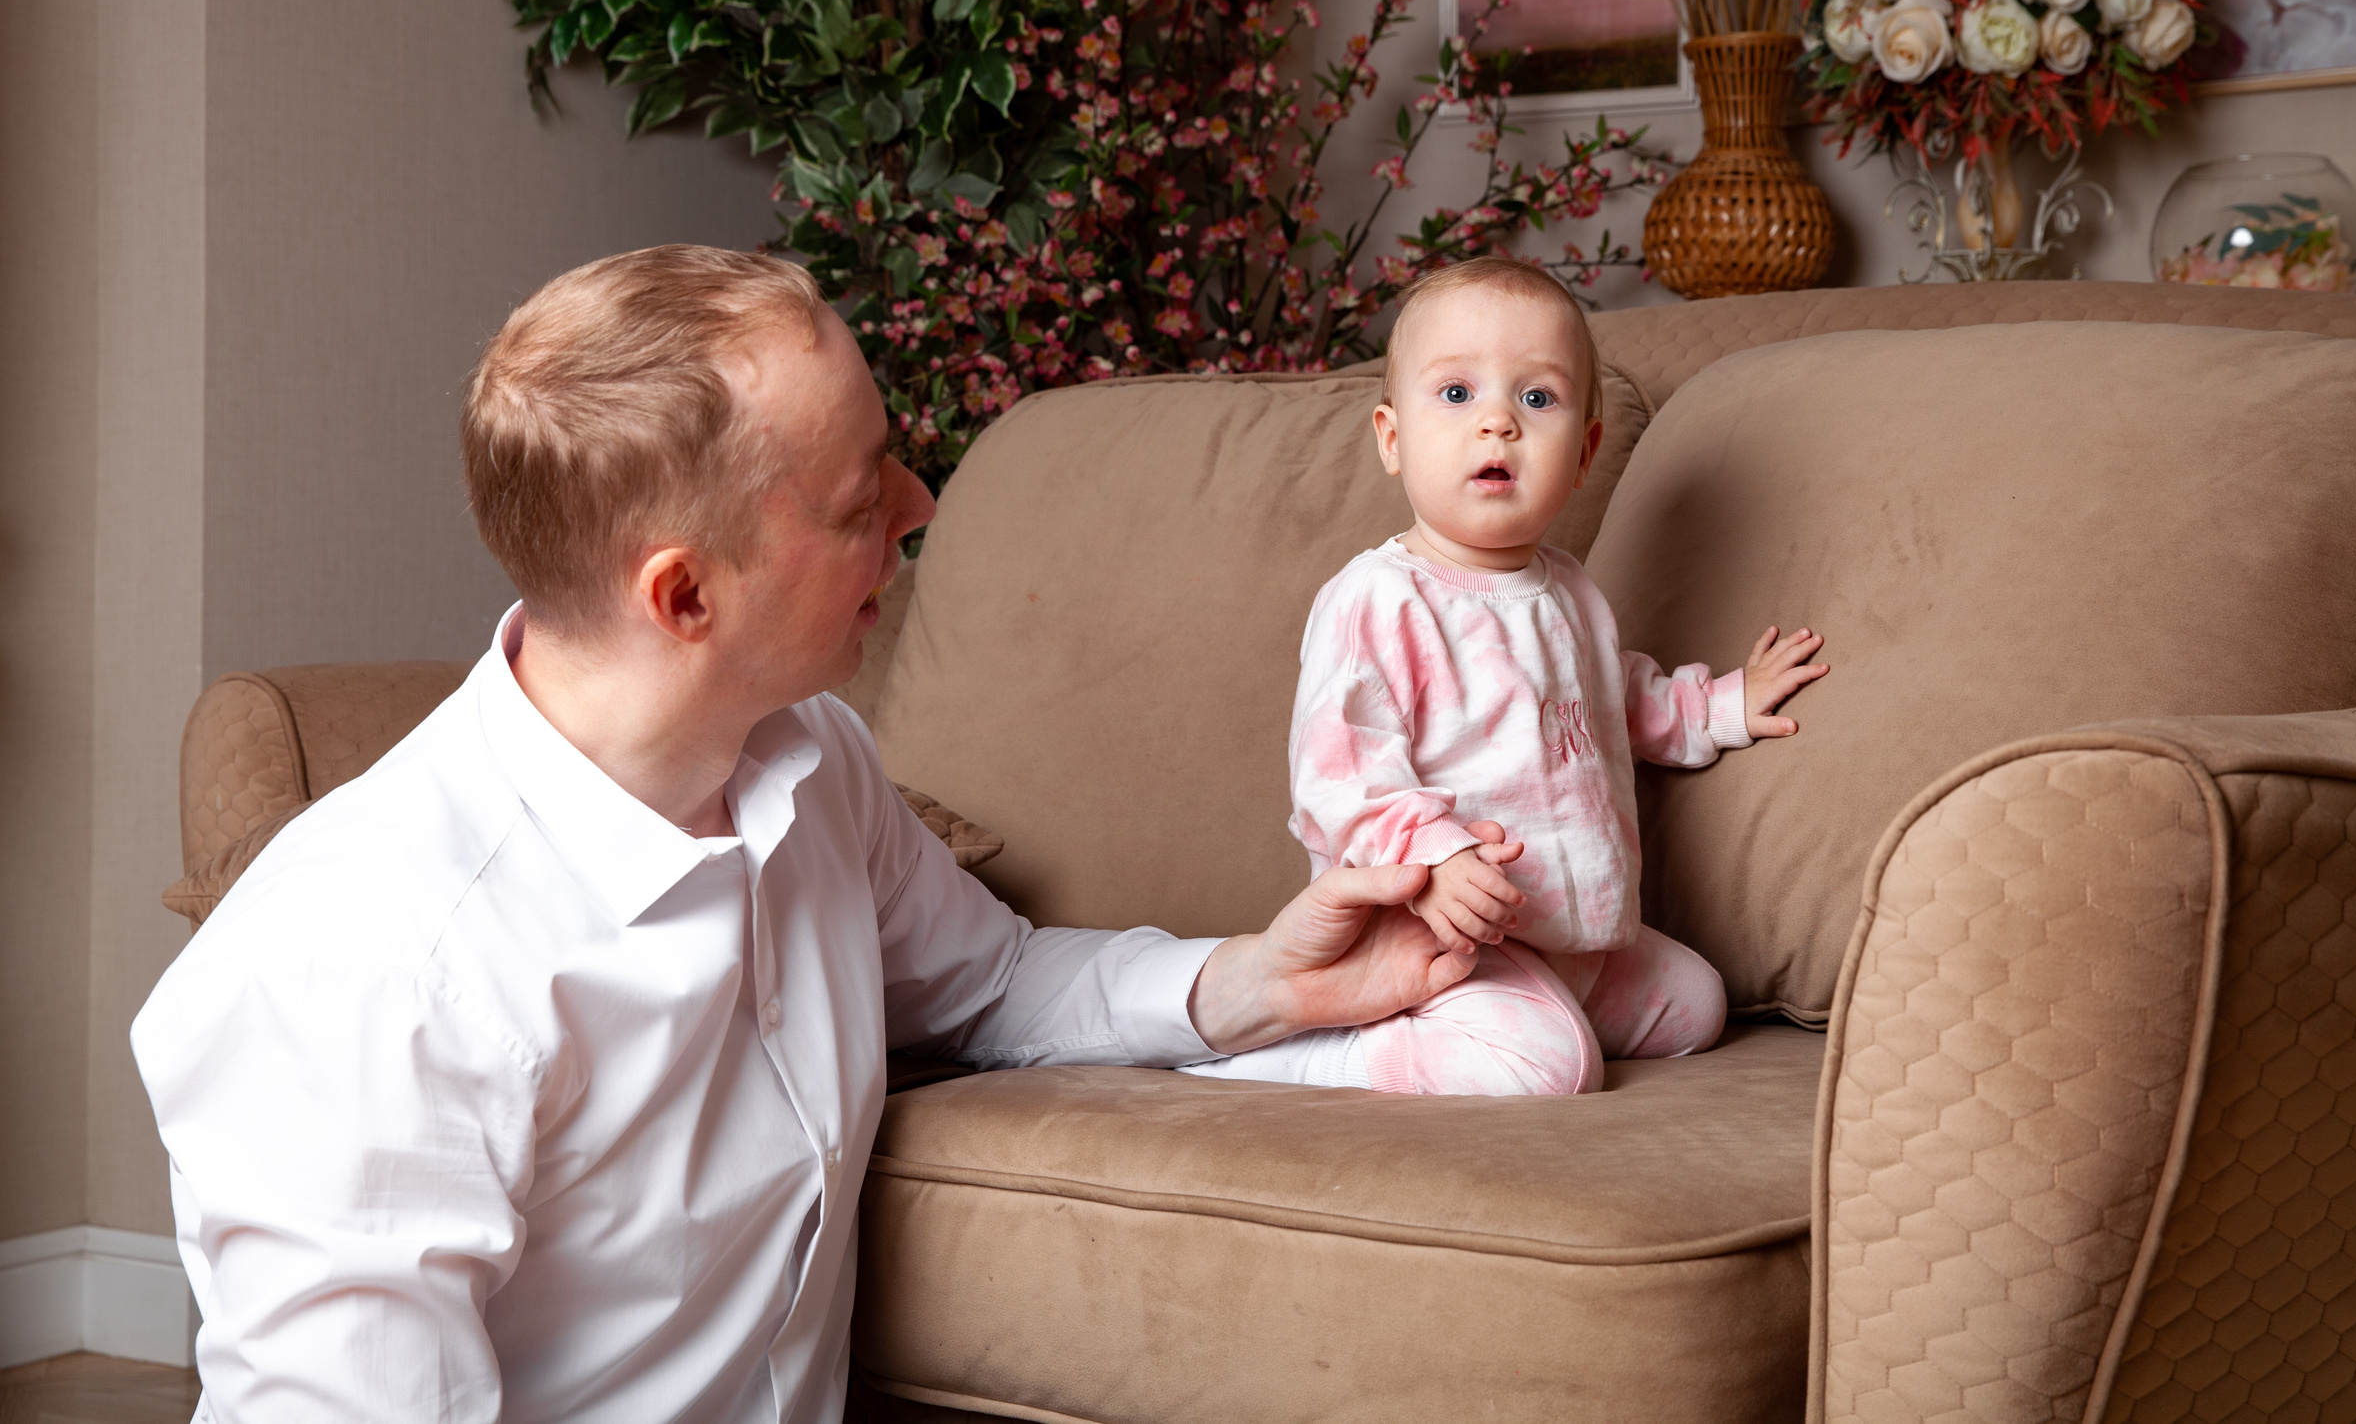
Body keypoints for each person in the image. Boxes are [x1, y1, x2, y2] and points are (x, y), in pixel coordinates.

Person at [130, 245, 1505, 1423]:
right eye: (861, 502)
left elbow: (994, 981)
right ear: (683, 596)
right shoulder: (367, 963)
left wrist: (1266, 978)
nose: (919, 507)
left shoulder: (810, 758)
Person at [1183, 258, 1828, 1095]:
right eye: (1456, 395)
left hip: (1576, 924)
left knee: (1693, 1005)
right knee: (1552, 1070)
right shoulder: (1379, 599)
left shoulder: (1570, 588)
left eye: (1536, 398)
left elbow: (1612, 698)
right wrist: (1437, 857)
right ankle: (1320, 1055)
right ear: (1392, 438)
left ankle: (1540, 1012)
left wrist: (1719, 705)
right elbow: (1342, 778)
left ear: (1585, 450)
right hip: (1444, 934)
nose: (1497, 423)